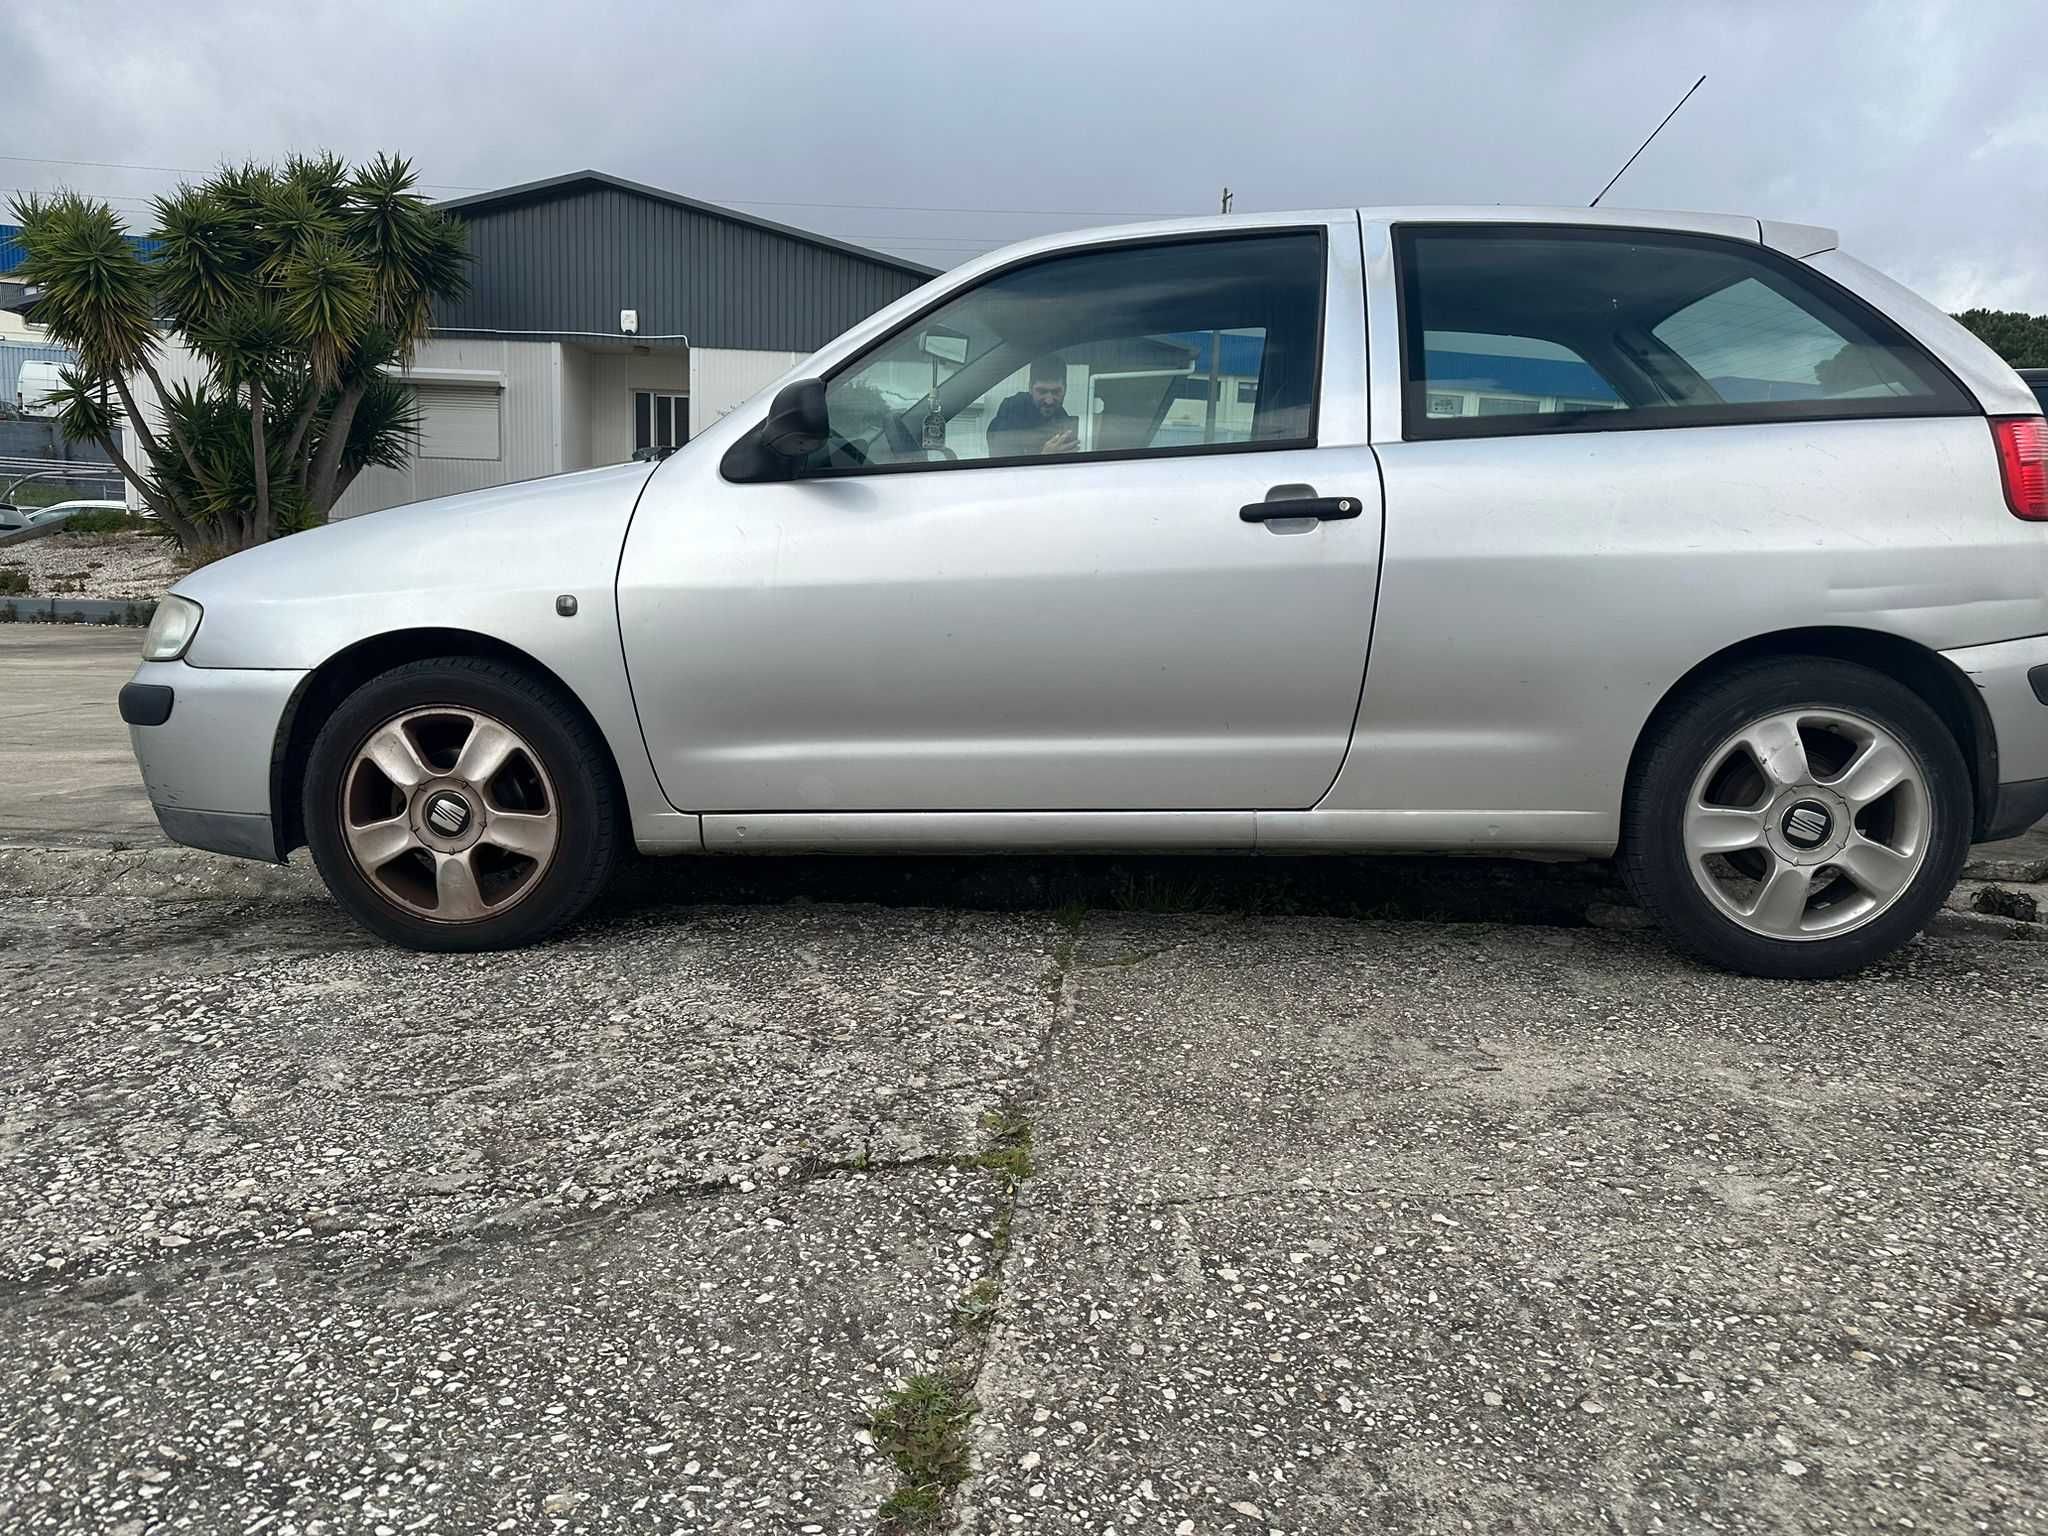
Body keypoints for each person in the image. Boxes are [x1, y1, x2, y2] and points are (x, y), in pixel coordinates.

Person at [985, 355, 1079, 457]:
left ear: (1065, 389)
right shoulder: (1010, 414)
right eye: (1042, 391)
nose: (1049, 401)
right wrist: (1045, 457)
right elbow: (1002, 469)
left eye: (1056, 392)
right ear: (1030, 388)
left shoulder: (1062, 418)